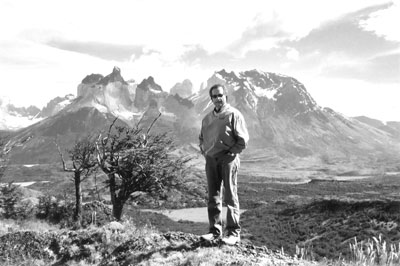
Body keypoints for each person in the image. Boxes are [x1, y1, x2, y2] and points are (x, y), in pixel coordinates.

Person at [199, 84, 249, 245]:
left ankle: (233, 232)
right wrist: (205, 152)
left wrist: (231, 153)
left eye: (220, 95)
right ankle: (214, 231)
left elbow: (243, 140)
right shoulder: (207, 119)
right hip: (211, 160)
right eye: (214, 96)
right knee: (213, 196)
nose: (218, 98)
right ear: (211, 99)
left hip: (228, 159)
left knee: (230, 195)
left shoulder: (234, 114)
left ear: (225, 96)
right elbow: (202, 138)